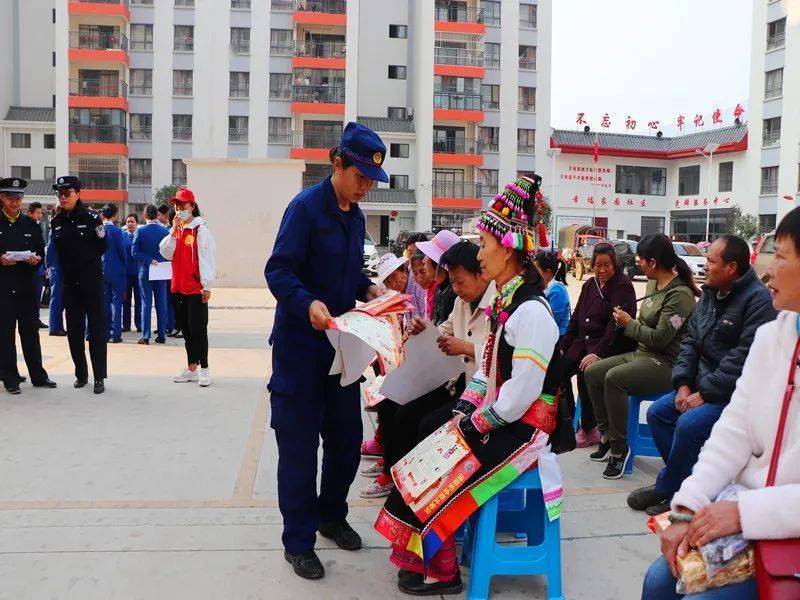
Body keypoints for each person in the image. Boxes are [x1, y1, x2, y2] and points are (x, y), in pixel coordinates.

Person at [375, 175, 559, 595]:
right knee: (433, 445)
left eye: (485, 244)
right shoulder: (506, 302)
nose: (480, 253)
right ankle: (426, 554)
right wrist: (465, 411)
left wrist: (474, 423)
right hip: (503, 417)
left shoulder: (531, 312)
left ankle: (442, 569)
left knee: (448, 458)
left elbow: (519, 396)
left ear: (509, 248)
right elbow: (487, 370)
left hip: (525, 429)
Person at [641, 207, 800, 600]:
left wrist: (746, 513)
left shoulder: (754, 305)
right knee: (659, 580)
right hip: (744, 516)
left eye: (779, 256)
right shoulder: (773, 338)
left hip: (782, 527)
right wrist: (687, 509)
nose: (770, 271)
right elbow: (733, 433)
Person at [264, 122, 389, 580]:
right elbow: (278, 271)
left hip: (340, 351)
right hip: (300, 349)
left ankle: (330, 515)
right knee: (298, 449)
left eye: (371, 182)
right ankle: (298, 542)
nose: (365, 188)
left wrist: (370, 289)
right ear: (337, 163)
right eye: (359, 178)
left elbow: (348, 276)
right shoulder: (305, 209)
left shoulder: (355, 218)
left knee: (345, 443)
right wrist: (307, 303)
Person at [627, 235, 776, 516]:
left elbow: (741, 360)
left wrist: (705, 393)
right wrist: (683, 384)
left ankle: (669, 488)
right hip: (696, 384)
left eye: (711, 261)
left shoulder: (757, 301)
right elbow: (690, 343)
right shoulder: (709, 293)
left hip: (730, 394)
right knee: (659, 414)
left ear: (731, 268)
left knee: (689, 425)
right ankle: (684, 485)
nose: (704, 266)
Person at [362, 241, 495, 499]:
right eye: (453, 283)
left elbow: (499, 355)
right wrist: (426, 330)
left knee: (427, 423)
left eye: (460, 282)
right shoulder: (460, 300)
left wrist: (466, 347)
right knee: (395, 405)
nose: (456, 289)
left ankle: (427, 491)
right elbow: (445, 329)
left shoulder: (498, 305)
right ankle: (398, 476)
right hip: (454, 383)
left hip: (478, 395)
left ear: (481, 273)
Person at [585, 233, 698, 479]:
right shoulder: (652, 285)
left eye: (641, 260)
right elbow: (645, 331)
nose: (639, 264)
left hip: (666, 364)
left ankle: (619, 449)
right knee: (593, 372)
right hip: (642, 354)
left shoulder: (680, 297)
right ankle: (606, 434)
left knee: (614, 378)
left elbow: (661, 339)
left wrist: (629, 324)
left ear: (653, 262)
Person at [560, 243, 637, 448]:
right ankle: (565, 421)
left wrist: (598, 353)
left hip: (610, 346)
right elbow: (575, 320)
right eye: (598, 265)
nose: (602, 270)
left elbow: (616, 327)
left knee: (587, 371)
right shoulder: (589, 285)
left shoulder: (623, 286)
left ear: (615, 265)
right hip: (582, 344)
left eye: (607, 265)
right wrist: (562, 346)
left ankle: (590, 428)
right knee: (557, 369)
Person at [50, 175, 108, 394]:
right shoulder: (57, 221)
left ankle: (99, 377)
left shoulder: (93, 218)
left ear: (78, 193)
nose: (63, 198)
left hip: (91, 282)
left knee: (96, 330)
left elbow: (103, 246)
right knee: (74, 331)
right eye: (60, 194)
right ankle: (81, 373)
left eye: (68, 193)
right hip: (69, 283)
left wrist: (85, 261)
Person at [0, 177, 56, 394]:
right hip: (3, 288)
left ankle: (38, 376)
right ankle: (10, 377)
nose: (15, 203)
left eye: (19, 198)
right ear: (2, 198)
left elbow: (40, 252)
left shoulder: (30, 225)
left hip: (25, 286)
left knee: (30, 332)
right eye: (10, 198)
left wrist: (36, 260)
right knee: (5, 334)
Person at [159, 187, 215, 387]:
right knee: (186, 330)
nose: (179, 208)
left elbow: (207, 259)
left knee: (199, 330)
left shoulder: (200, 229)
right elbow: (165, 252)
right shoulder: (176, 230)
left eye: (182, 205)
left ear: (192, 206)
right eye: (176, 205)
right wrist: (173, 232)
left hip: (195, 288)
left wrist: (207, 286)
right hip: (178, 287)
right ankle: (191, 367)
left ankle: (205, 369)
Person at [132, 205, 169, 345]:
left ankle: (146, 335)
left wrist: (148, 260)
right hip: (161, 269)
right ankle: (161, 334)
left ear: (145, 215)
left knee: (146, 303)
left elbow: (134, 252)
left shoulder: (140, 231)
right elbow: (170, 251)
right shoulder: (164, 231)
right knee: (161, 303)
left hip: (146, 270)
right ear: (157, 215)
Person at [416, 229, 459, 325]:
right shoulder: (440, 289)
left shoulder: (453, 295)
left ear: (437, 263)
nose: (424, 260)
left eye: (428, 255)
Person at [100, 204, 127, 344]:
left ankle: (105, 333)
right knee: (117, 303)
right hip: (117, 270)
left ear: (103, 215)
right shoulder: (117, 232)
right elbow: (122, 251)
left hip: (102, 269)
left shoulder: (99, 230)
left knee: (104, 303)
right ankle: (116, 334)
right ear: (115, 215)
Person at [534, 250, 571, 336]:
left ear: (547, 272)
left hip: (557, 340)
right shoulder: (543, 287)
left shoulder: (557, 291)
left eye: (535, 270)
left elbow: (549, 322)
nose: (532, 274)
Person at [26, 201, 48, 329]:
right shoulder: (26, 226)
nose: (40, 215)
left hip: (38, 264)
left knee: (36, 295)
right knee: (32, 295)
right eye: (38, 213)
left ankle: (36, 318)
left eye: (41, 213)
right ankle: (32, 319)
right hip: (30, 266)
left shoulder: (37, 226)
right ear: (30, 213)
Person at [122, 213, 141, 333]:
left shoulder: (140, 235)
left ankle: (139, 324)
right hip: (126, 274)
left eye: (132, 221)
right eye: (128, 221)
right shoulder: (122, 236)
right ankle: (126, 325)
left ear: (137, 223)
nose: (130, 224)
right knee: (126, 300)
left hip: (139, 274)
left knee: (139, 300)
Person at [45, 228, 66, 336]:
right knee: (57, 299)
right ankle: (54, 327)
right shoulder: (56, 229)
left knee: (60, 299)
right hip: (57, 268)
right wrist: (48, 266)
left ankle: (58, 326)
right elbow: (49, 248)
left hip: (61, 268)